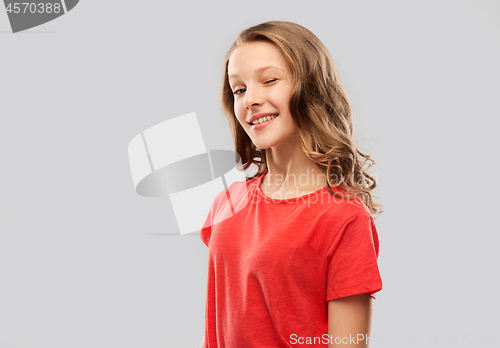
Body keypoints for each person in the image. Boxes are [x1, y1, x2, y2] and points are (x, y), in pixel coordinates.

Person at [199, 20, 383, 348]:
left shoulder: (344, 219)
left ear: (310, 89)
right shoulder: (226, 203)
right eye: (239, 89)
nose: (249, 99)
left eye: (269, 80)